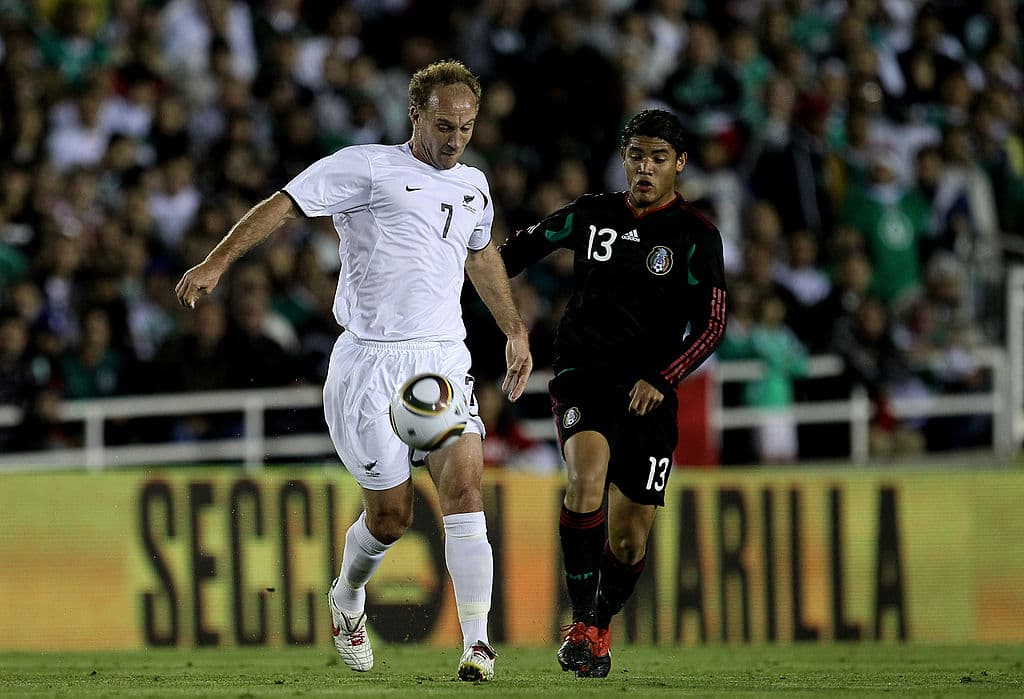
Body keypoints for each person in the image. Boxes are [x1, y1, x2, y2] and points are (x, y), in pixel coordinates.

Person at [175, 60, 532, 682]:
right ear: (415, 115)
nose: (455, 140)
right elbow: (284, 205)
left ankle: (477, 644)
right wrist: (216, 263)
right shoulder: (366, 167)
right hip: (368, 362)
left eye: (466, 128)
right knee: (392, 518)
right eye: (444, 126)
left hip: (440, 358)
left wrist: (515, 329)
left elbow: (479, 257)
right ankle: (346, 596)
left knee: (465, 490)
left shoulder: (474, 186)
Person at [499, 109, 726, 678]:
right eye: (636, 156)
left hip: (650, 391)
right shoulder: (591, 214)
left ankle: (599, 624)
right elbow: (511, 254)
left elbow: (712, 325)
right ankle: (579, 621)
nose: (645, 168)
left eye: (658, 158)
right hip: (585, 373)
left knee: (628, 541)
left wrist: (664, 378)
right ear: (624, 158)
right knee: (585, 478)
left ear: (679, 163)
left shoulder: (696, 235)